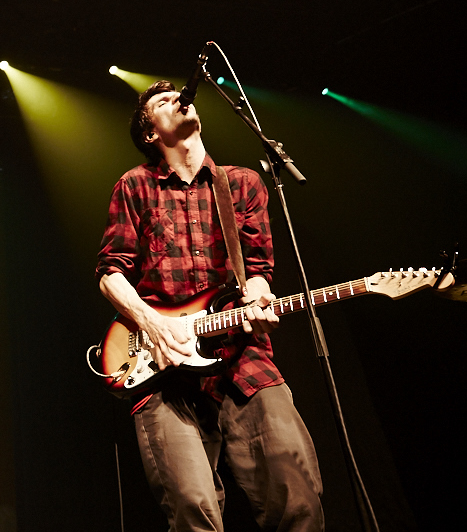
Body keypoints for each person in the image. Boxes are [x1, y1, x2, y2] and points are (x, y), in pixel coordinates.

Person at [97, 81, 323, 532]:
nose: (178, 100)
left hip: (244, 360)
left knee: (298, 495)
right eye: (162, 102)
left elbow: (258, 270)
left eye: (179, 96)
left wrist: (259, 298)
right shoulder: (136, 186)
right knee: (193, 510)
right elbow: (110, 271)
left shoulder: (242, 184)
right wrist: (154, 324)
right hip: (162, 366)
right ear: (149, 134)